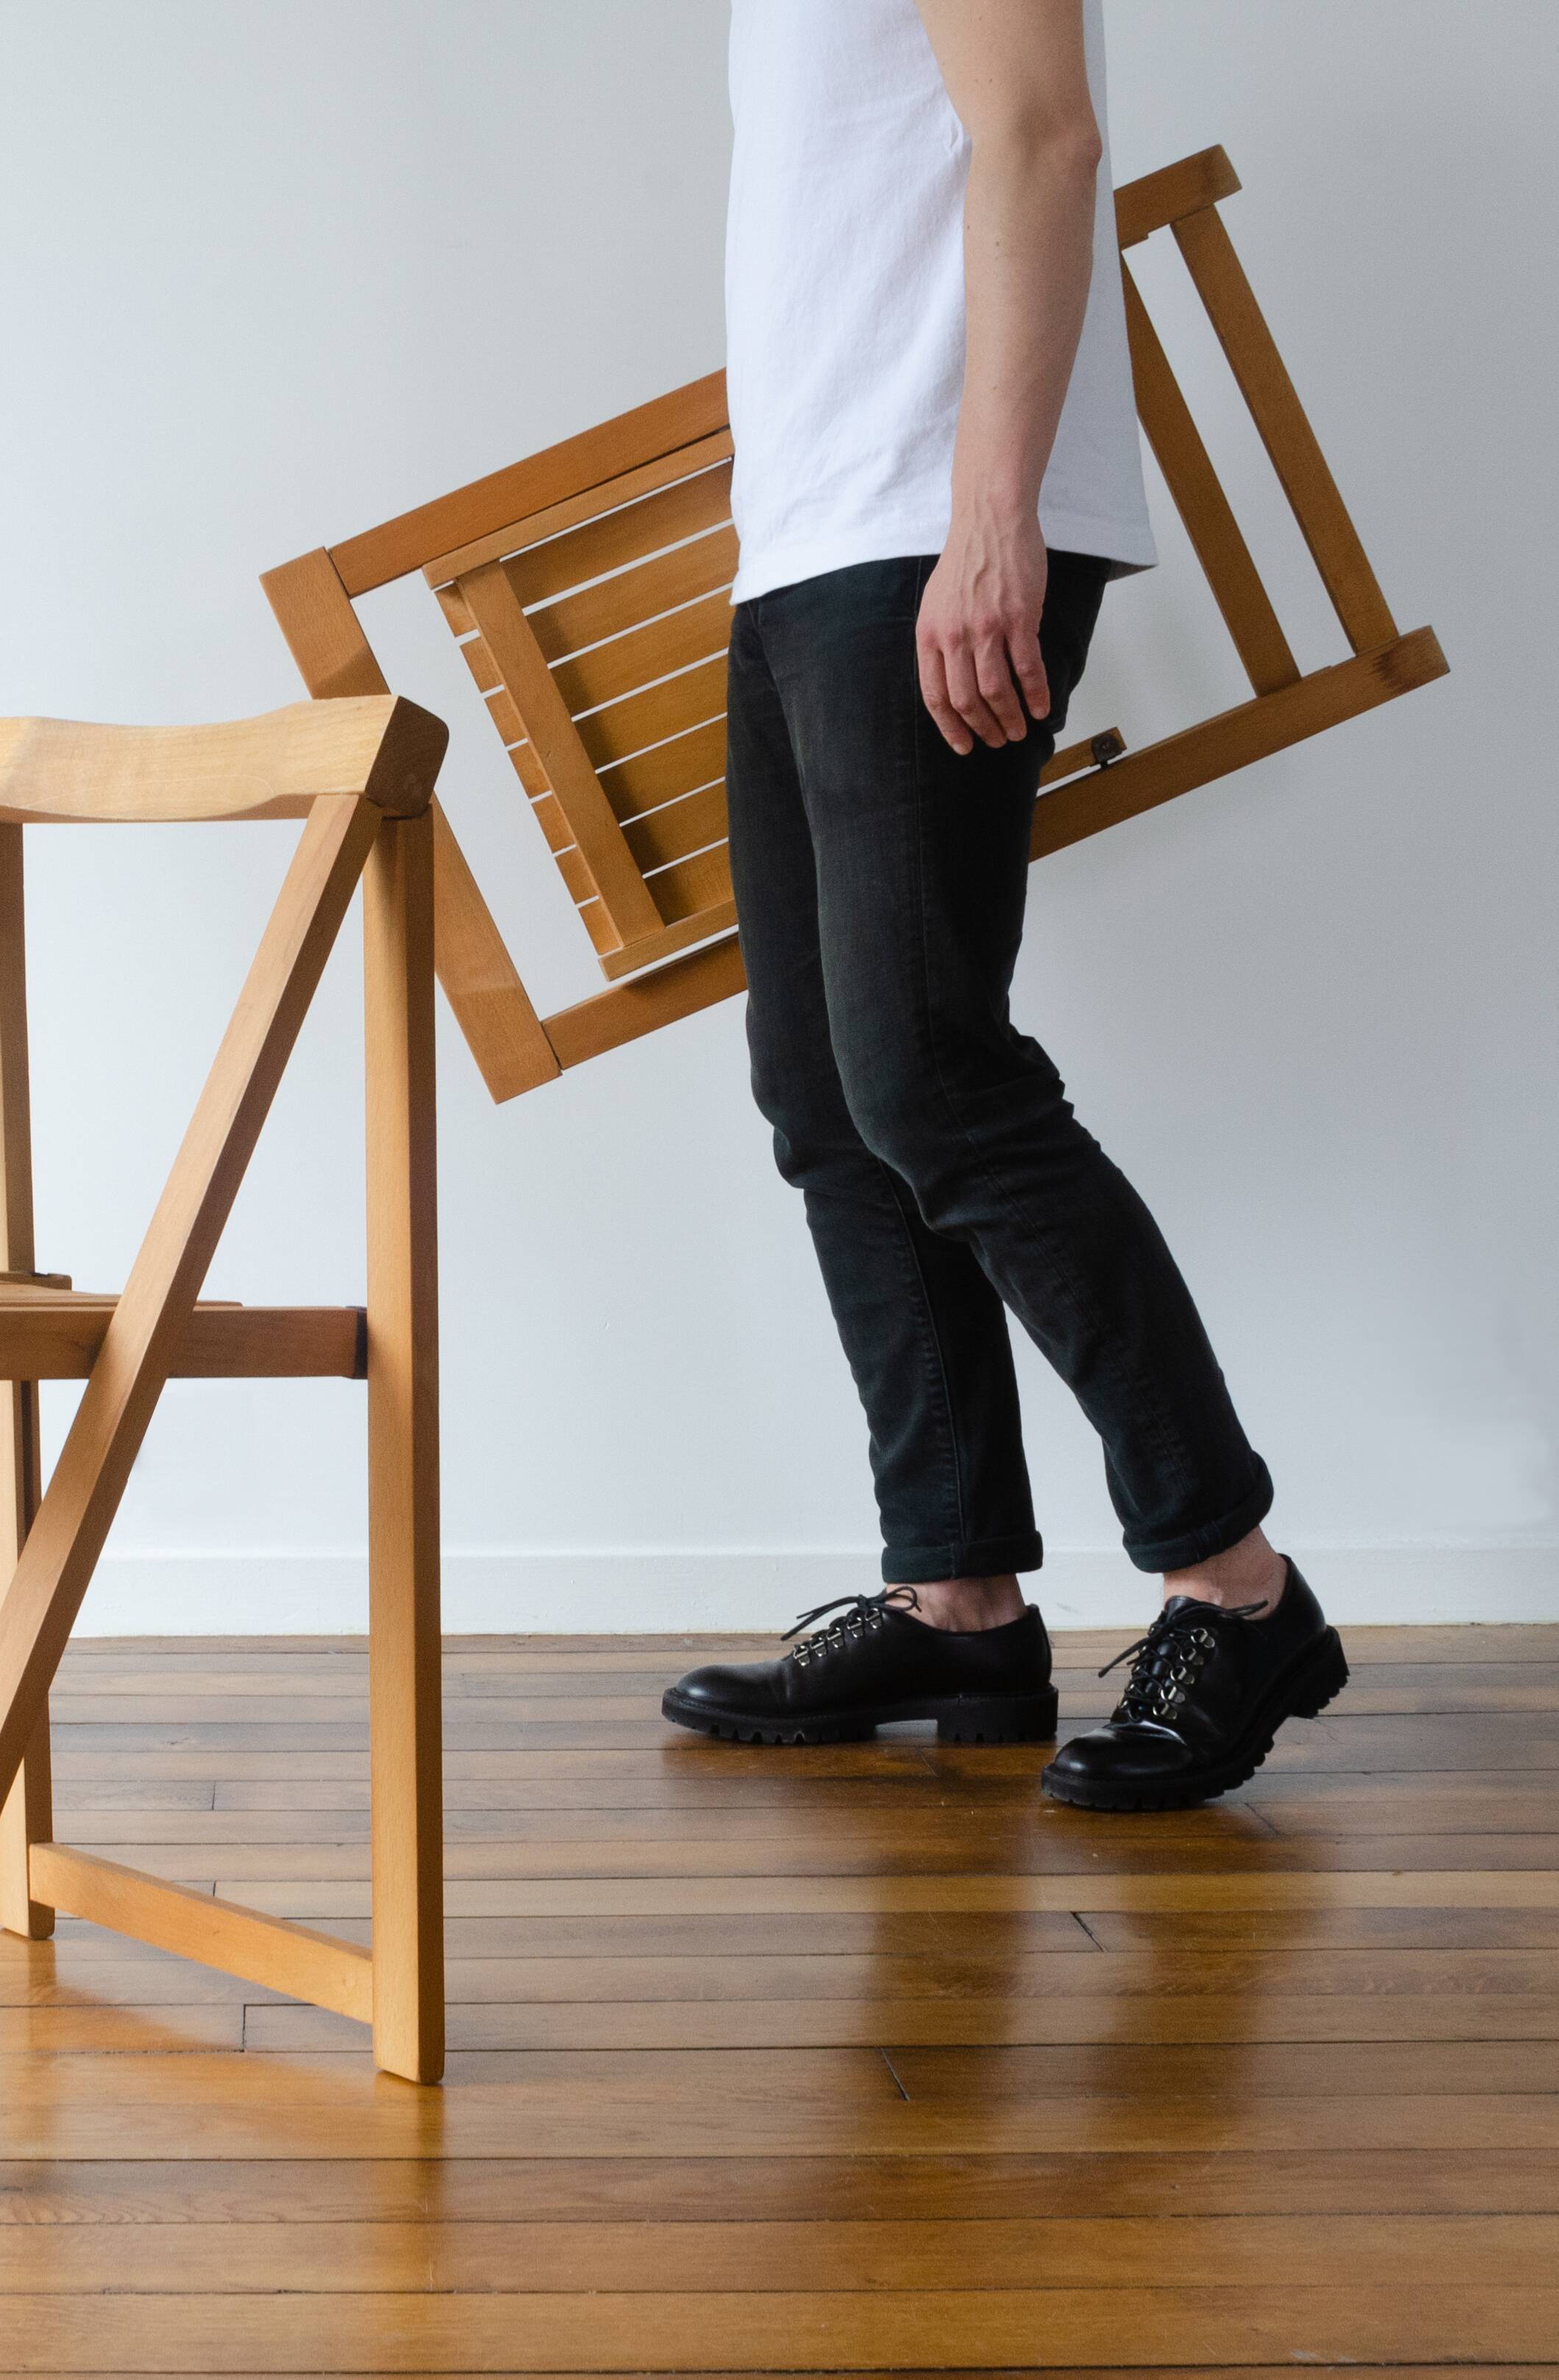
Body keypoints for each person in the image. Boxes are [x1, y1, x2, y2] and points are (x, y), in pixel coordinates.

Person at [660, 0, 1348, 1808]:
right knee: (827, 1097)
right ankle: (956, 1593)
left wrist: (993, 519)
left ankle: (1232, 1580)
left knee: (929, 1077)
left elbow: (1040, 142)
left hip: (922, 518)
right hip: (809, 528)